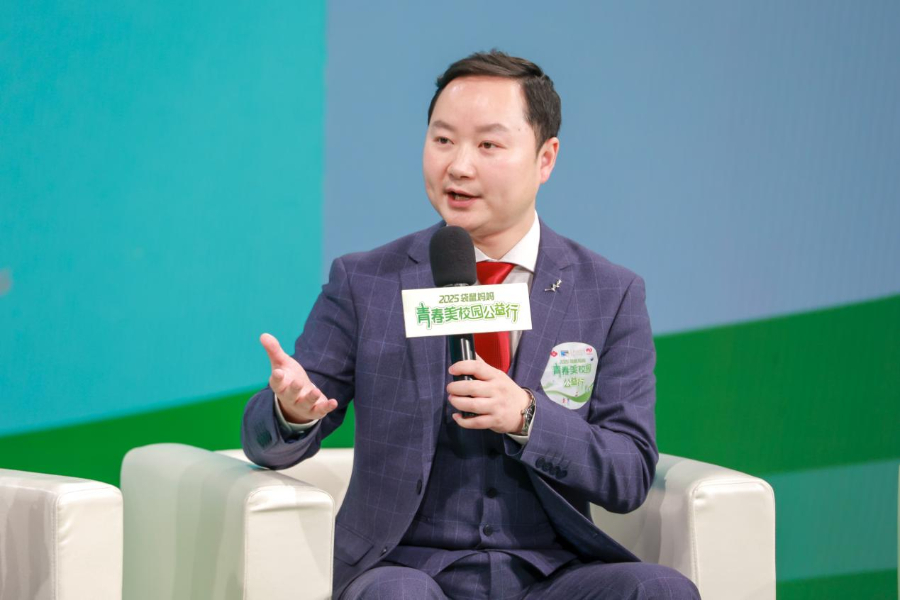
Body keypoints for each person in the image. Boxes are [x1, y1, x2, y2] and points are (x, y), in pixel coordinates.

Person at [242, 50, 700, 600]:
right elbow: (267, 445)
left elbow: (628, 474)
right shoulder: (367, 282)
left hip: (552, 573)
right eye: (443, 140)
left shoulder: (609, 292)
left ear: (546, 158)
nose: (458, 166)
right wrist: (291, 414)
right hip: (405, 567)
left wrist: (527, 415)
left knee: (659, 590)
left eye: (488, 145)